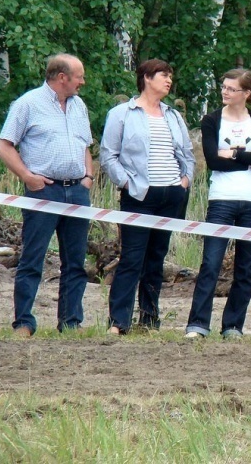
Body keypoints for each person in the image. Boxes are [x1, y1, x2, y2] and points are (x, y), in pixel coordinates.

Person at [0, 53, 94, 337]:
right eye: (79, 76)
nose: (83, 82)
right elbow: (4, 146)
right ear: (62, 77)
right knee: (33, 259)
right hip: (43, 191)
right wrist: (27, 177)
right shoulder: (28, 104)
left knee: (75, 262)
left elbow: (85, 145)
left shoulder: (79, 106)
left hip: (77, 191)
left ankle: (71, 323)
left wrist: (88, 177)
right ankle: (24, 323)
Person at [100, 59, 195, 334]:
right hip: (139, 194)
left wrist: (184, 181)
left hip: (171, 194)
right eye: (164, 75)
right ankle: (119, 322)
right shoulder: (122, 114)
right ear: (146, 78)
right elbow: (108, 155)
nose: (169, 81)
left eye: (170, 76)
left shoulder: (173, 116)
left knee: (156, 258)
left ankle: (149, 319)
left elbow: (187, 154)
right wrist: (127, 184)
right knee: (132, 258)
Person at [185, 69, 251, 340]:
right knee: (211, 263)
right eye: (223, 87)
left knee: (244, 267)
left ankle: (233, 325)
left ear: (246, 94)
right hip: (221, 198)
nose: (225, 92)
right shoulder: (211, 120)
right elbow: (212, 160)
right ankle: (198, 324)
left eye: (231, 88)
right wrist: (247, 154)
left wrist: (232, 152)